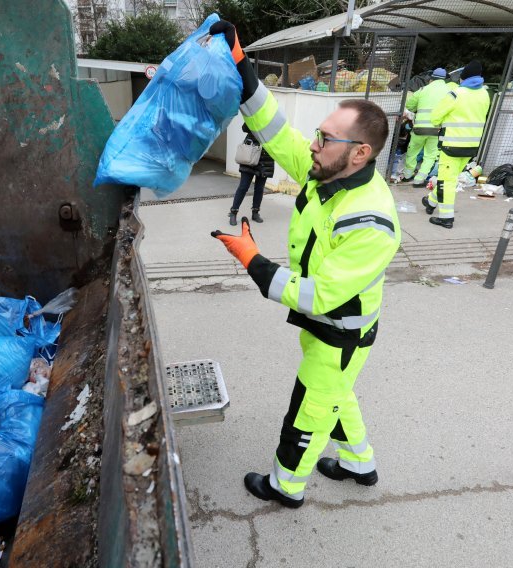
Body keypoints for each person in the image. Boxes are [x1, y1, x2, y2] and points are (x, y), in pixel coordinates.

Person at [208, 20, 401, 508]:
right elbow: (275, 132)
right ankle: (361, 463)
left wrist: (252, 261)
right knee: (339, 394)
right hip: (329, 328)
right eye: (318, 135)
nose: (313, 145)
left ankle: (285, 486)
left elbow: (320, 294)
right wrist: (241, 67)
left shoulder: (371, 221)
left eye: (326, 138)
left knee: (310, 408)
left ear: (360, 152)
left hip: (340, 329)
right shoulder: (326, 172)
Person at [424, 60, 491, 228]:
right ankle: (431, 202)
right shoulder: (484, 94)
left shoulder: (456, 94)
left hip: (451, 146)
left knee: (446, 181)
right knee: (449, 178)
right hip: (471, 147)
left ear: (463, 77)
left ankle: (446, 218)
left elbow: (435, 118)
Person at [401, 68, 451, 187]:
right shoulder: (450, 91)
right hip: (436, 129)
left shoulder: (423, 89)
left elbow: (410, 105)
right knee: (430, 154)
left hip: (419, 129)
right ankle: (419, 179)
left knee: (412, 151)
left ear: (431, 79)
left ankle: (407, 176)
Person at [230, 123, 275, 225]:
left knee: (259, 189)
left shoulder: (273, 119)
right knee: (243, 187)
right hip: (250, 154)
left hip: (265, 158)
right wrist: (255, 123)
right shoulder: (255, 115)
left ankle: (255, 212)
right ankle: (233, 212)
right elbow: (244, 128)